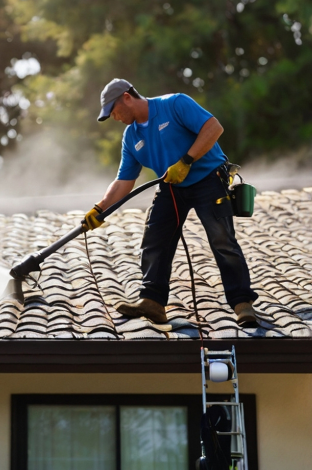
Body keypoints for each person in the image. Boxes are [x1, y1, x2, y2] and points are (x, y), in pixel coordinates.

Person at [83, 78, 259, 326]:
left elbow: (214, 128)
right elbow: (124, 181)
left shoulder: (174, 104)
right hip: (172, 185)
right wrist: (100, 208)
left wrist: (186, 160)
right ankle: (153, 302)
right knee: (155, 238)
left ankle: (242, 304)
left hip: (208, 178)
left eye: (113, 111)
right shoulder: (131, 137)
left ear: (126, 97)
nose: (114, 117)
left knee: (222, 240)